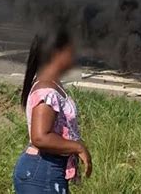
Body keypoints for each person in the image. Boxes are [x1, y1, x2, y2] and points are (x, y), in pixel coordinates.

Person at [13, 26, 92, 193]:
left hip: (47, 171)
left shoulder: (51, 84)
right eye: (72, 50)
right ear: (56, 53)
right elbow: (40, 137)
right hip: (42, 172)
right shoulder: (47, 90)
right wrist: (78, 147)